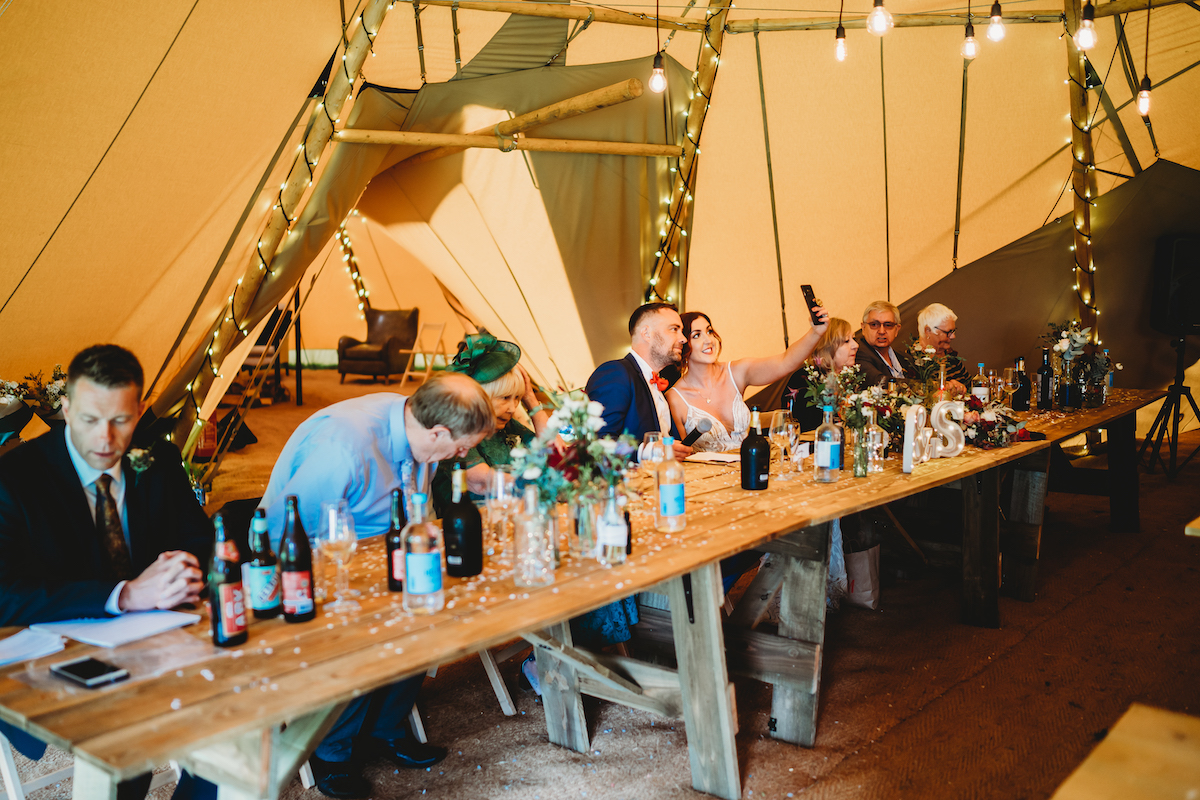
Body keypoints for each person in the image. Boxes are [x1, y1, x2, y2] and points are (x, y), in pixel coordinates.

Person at [259, 372, 493, 799]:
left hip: (390, 552)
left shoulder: (413, 421)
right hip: (321, 561)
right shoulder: (342, 447)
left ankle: (386, 729)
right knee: (360, 635)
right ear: (436, 430)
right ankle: (330, 753)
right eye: (459, 447)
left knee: (430, 609)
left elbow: (415, 506)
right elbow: (282, 532)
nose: (460, 456)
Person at [0, 344, 212, 800]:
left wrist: (185, 571)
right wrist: (125, 594)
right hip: (55, 646)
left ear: (138, 411)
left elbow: (199, 540)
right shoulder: (15, 477)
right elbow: (4, 593)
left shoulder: (157, 457)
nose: (105, 440)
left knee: (240, 715)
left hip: (160, 630)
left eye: (120, 421)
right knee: (122, 737)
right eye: (90, 420)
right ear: (65, 407)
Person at [666, 308, 828, 452]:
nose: (708, 340)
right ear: (684, 344)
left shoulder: (737, 371)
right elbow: (682, 455)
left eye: (709, 332)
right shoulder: (675, 398)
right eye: (697, 335)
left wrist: (815, 333)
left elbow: (786, 362)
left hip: (751, 465)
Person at [430, 334, 550, 515]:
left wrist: (531, 401)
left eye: (518, 398)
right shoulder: (454, 429)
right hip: (466, 524)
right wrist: (547, 483)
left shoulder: (506, 425)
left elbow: (555, 452)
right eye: (504, 398)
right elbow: (482, 482)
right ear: (479, 396)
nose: (512, 408)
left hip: (507, 516)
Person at [585, 303, 692, 462]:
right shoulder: (615, 372)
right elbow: (596, 444)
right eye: (674, 329)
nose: (683, 339)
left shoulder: (658, 385)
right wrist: (648, 451)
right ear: (647, 333)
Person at [785, 318, 861, 431]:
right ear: (827, 346)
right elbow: (805, 427)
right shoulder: (805, 379)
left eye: (853, 339)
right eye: (846, 341)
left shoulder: (850, 378)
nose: (856, 345)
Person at [854, 301, 914, 386]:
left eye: (888, 325)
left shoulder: (906, 359)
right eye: (874, 325)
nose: (882, 331)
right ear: (863, 328)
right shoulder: (857, 354)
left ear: (896, 330)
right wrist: (916, 385)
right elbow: (880, 382)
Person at [917, 302, 969, 393]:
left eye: (953, 331)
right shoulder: (913, 361)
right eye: (948, 332)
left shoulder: (950, 356)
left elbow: (969, 385)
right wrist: (945, 387)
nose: (953, 336)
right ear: (928, 331)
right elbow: (917, 389)